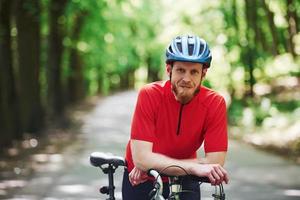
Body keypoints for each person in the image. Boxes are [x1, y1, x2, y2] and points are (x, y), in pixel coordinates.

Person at [122, 35, 229, 200]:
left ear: (203, 74)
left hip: (185, 177)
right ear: (169, 70)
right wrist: (195, 166)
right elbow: (142, 159)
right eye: (180, 70)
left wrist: (151, 162)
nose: (186, 79)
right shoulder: (150, 94)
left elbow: (215, 162)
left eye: (194, 72)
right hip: (142, 176)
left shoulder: (215, 103)